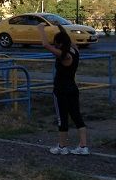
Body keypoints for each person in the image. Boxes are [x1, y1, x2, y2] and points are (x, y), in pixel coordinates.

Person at [37, 22, 89, 155]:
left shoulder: (63, 55)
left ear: (59, 44)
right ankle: (83, 146)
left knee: (62, 118)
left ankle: (62, 146)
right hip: (72, 88)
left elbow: (45, 45)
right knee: (77, 116)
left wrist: (41, 29)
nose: (55, 45)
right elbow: (67, 38)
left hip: (61, 90)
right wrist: (60, 27)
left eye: (56, 43)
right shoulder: (74, 49)